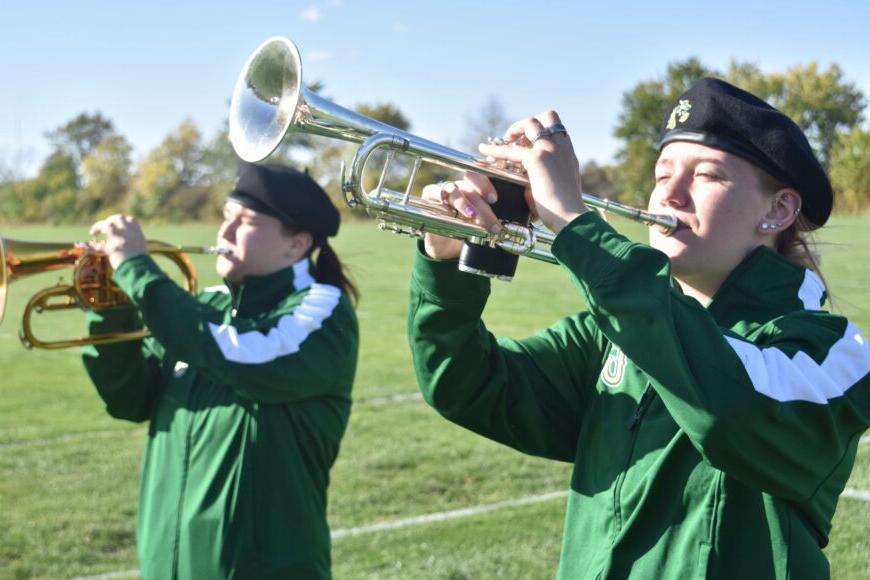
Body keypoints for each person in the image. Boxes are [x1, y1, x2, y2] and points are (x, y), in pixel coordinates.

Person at [408, 78, 870, 578]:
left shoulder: (834, 354)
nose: (669, 194)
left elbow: (728, 405)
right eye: (662, 172)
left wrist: (571, 219)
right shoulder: (613, 332)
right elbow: (465, 385)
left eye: (708, 175)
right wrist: (445, 261)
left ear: (778, 210)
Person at [83, 162, 359, 579]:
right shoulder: (203, 310)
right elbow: (129, 400)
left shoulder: (322, 310)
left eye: (244, 222)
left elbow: (243, 353)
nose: (224, 234)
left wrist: (139, 273)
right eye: (225, 217)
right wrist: (110, 311)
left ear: (297, 243)